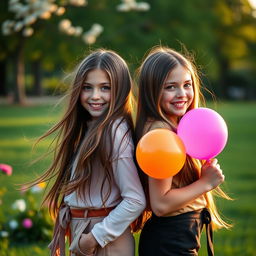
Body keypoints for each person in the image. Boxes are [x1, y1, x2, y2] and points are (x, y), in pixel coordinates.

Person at [31, 49, 146, 256]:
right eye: (87, 88)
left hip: (104, 240)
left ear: (120, 90)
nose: (95, 96)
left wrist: (94, 238)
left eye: (105, 88)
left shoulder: (114, 132)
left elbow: (135, 200)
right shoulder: (91, 126)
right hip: (85, 229)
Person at [135, 46, 232, 256]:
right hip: (169, 240)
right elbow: (160, 204)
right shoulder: (161, 134)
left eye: (187, 85)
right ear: (152, 90)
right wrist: (205, 183)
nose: (182, 94)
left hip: (179, 235)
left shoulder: (176, 127)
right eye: (170, 87)